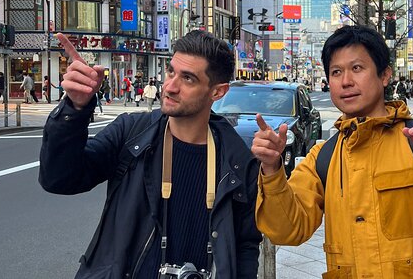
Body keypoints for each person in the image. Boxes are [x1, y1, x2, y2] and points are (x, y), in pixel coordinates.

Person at [252, 25, 413, 278]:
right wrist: (272, 170)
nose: (345, 81)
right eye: (336, 72)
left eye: (357, 68)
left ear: (385, 75)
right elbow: (286, 231)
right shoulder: (323, 159)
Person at [39, 30, 261, 278]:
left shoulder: (238, 161)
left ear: (217, 92)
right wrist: (75, 109)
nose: (170, 86)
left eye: (188, 79)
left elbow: (245, 245)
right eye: (171, 72)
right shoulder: (132, 133)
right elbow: (59, 179)